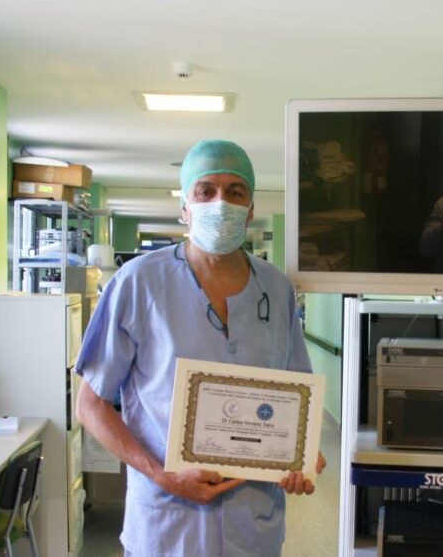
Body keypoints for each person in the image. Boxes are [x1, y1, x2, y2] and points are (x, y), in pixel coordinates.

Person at [75, 139, 325, 557]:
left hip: (254, 529)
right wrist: (162, 474)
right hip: (168, 527)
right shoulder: (138, 283)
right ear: (185, 208)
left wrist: (300, 456)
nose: (220, 203)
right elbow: (89, 405)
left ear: (250, 209)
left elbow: (297, 400)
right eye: (205, 191)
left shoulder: (276, 289)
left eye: (235, 192)